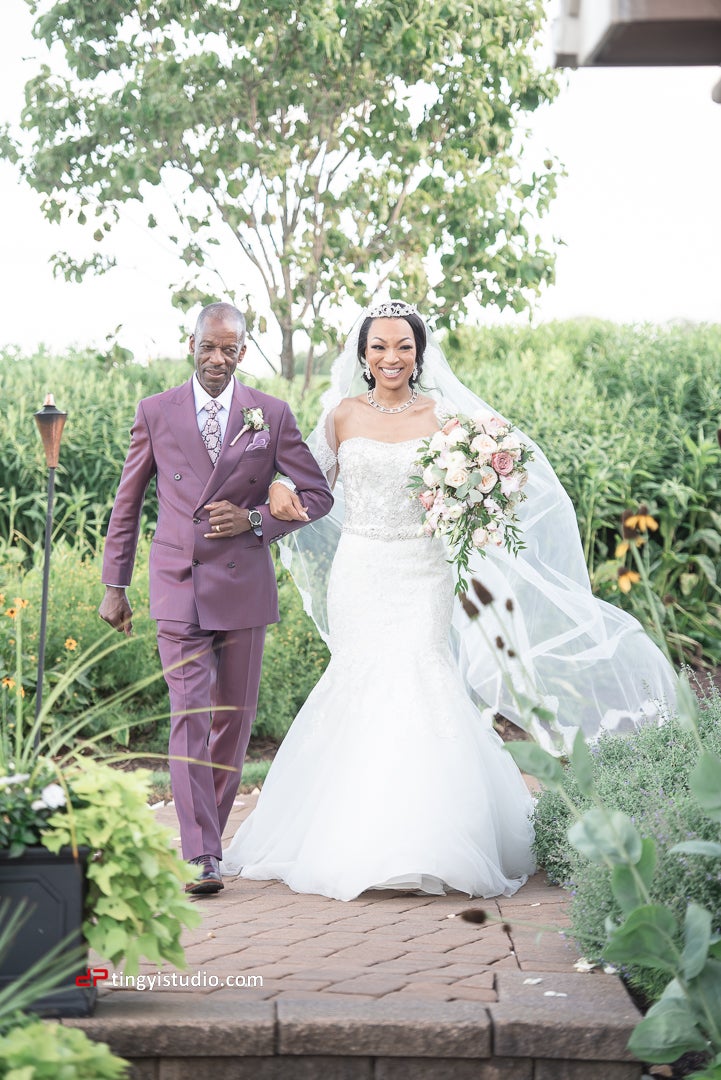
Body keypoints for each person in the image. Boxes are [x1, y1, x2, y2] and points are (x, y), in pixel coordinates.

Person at [220, 300, 679, 903]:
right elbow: (311, 487)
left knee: (422, 675)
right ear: (362, 354)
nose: (392, 357)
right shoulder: (339, 415)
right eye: (380, 346)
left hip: (423, 568)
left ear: (419, 353)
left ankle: (431, 838)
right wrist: (278, 492)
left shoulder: (448, 419)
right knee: (361, 678)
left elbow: (492, 485)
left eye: (403, 346)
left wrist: (477, 508)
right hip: (361, 568)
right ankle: (353, 833)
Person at [99, 302, 333, 894]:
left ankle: (213, 836)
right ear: (192, 343)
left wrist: (255, 522)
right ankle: (201, 854)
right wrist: (114, 583)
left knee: (233, 721)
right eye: (209, 346)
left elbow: (317, 494)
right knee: (189, 716)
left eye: (229, 349)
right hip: (177, 584)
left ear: (242, 353)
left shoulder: (270, 415)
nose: (217, 359)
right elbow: (127, 503)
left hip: (242, 585)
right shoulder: (156, 412)